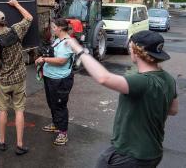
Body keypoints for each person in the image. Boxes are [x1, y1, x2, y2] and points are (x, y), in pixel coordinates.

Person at [67, 30, 178, 167]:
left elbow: (103, 78)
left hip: (130, 154)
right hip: (153, 152)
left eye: (131, 48)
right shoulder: (169, 79)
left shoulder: (141, 81)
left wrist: (79, 50)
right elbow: (173, 110)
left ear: (137, 52)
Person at [0, 0, 33, 156]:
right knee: (19, 110)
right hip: (19, 78)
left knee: (3, 110)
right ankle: (20, 145)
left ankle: (2, 141)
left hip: (5, 80)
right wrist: (17, 4)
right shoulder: (16, 30)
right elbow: (29, 18)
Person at [34, 18, 74, 146]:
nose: (52, 29)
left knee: (60, 105)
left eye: (54, 27)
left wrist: (44, 60)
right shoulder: (58, 40)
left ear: (60, 28)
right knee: (52, 103)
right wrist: (42, 69)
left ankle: (63, 132)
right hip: (50, 77)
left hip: (61, 80)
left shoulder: (68, 43)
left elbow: (61, 60)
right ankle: (56, 124)